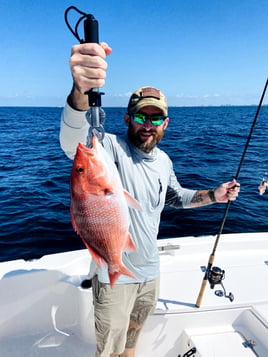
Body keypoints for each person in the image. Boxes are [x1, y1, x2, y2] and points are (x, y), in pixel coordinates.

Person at [59, 42, 240, 357]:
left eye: (157, 119)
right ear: (128, 118)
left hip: (149, 272)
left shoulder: (164, 161)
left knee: (132, 338)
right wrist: (80, 91)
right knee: (110, 349)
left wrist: (215, 194)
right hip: (112, 278)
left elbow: (175, 197)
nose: (148, 125)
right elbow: (73, 138)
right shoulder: (108, 147)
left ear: (166, 124)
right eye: (142, 116)